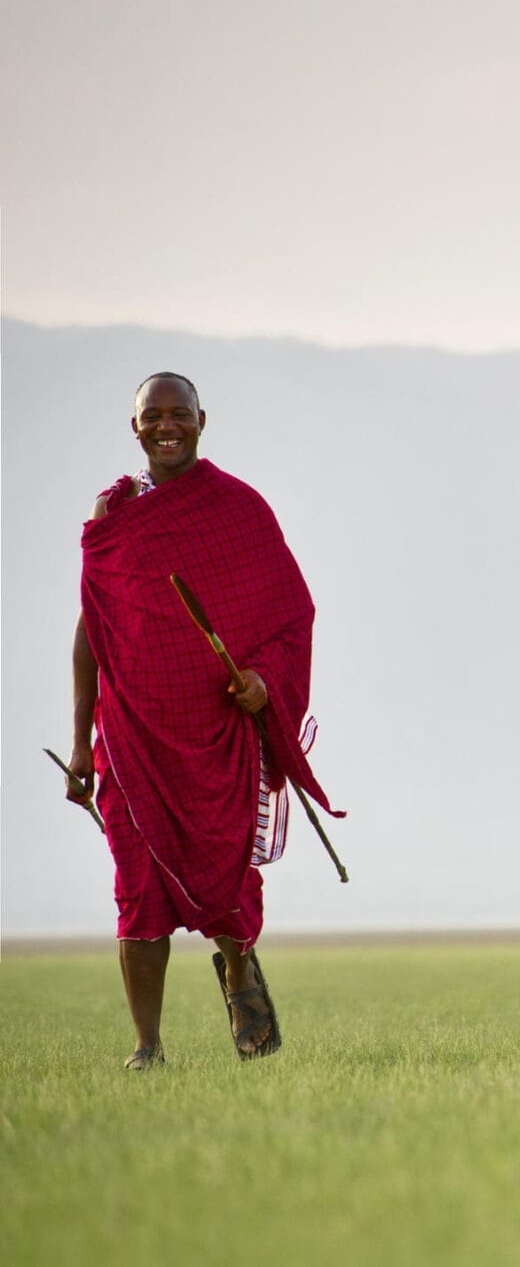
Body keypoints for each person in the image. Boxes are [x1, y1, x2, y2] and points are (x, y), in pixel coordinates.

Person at [66, 372, 342, 1068]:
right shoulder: (112, 514)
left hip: (216, 739)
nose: (166, 426)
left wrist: (262, 682)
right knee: (138, 892)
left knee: (226, 880)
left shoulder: (239, 510)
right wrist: (78, 743)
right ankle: (147, 1046)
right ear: (135, 428)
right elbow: (91, 631)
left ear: (201, 420)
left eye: (178, 414)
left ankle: (242, 975)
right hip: (129, 739)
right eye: (152, 416)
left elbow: (289, 617)